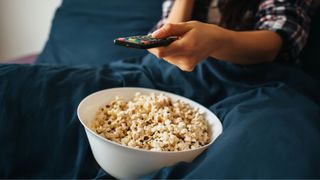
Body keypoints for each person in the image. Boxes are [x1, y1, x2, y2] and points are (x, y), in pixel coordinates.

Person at [147, 0, 312, 71]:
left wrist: (218, 41)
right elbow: (168, 36)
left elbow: (277, 41)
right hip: (170, 73)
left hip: (255, 80)